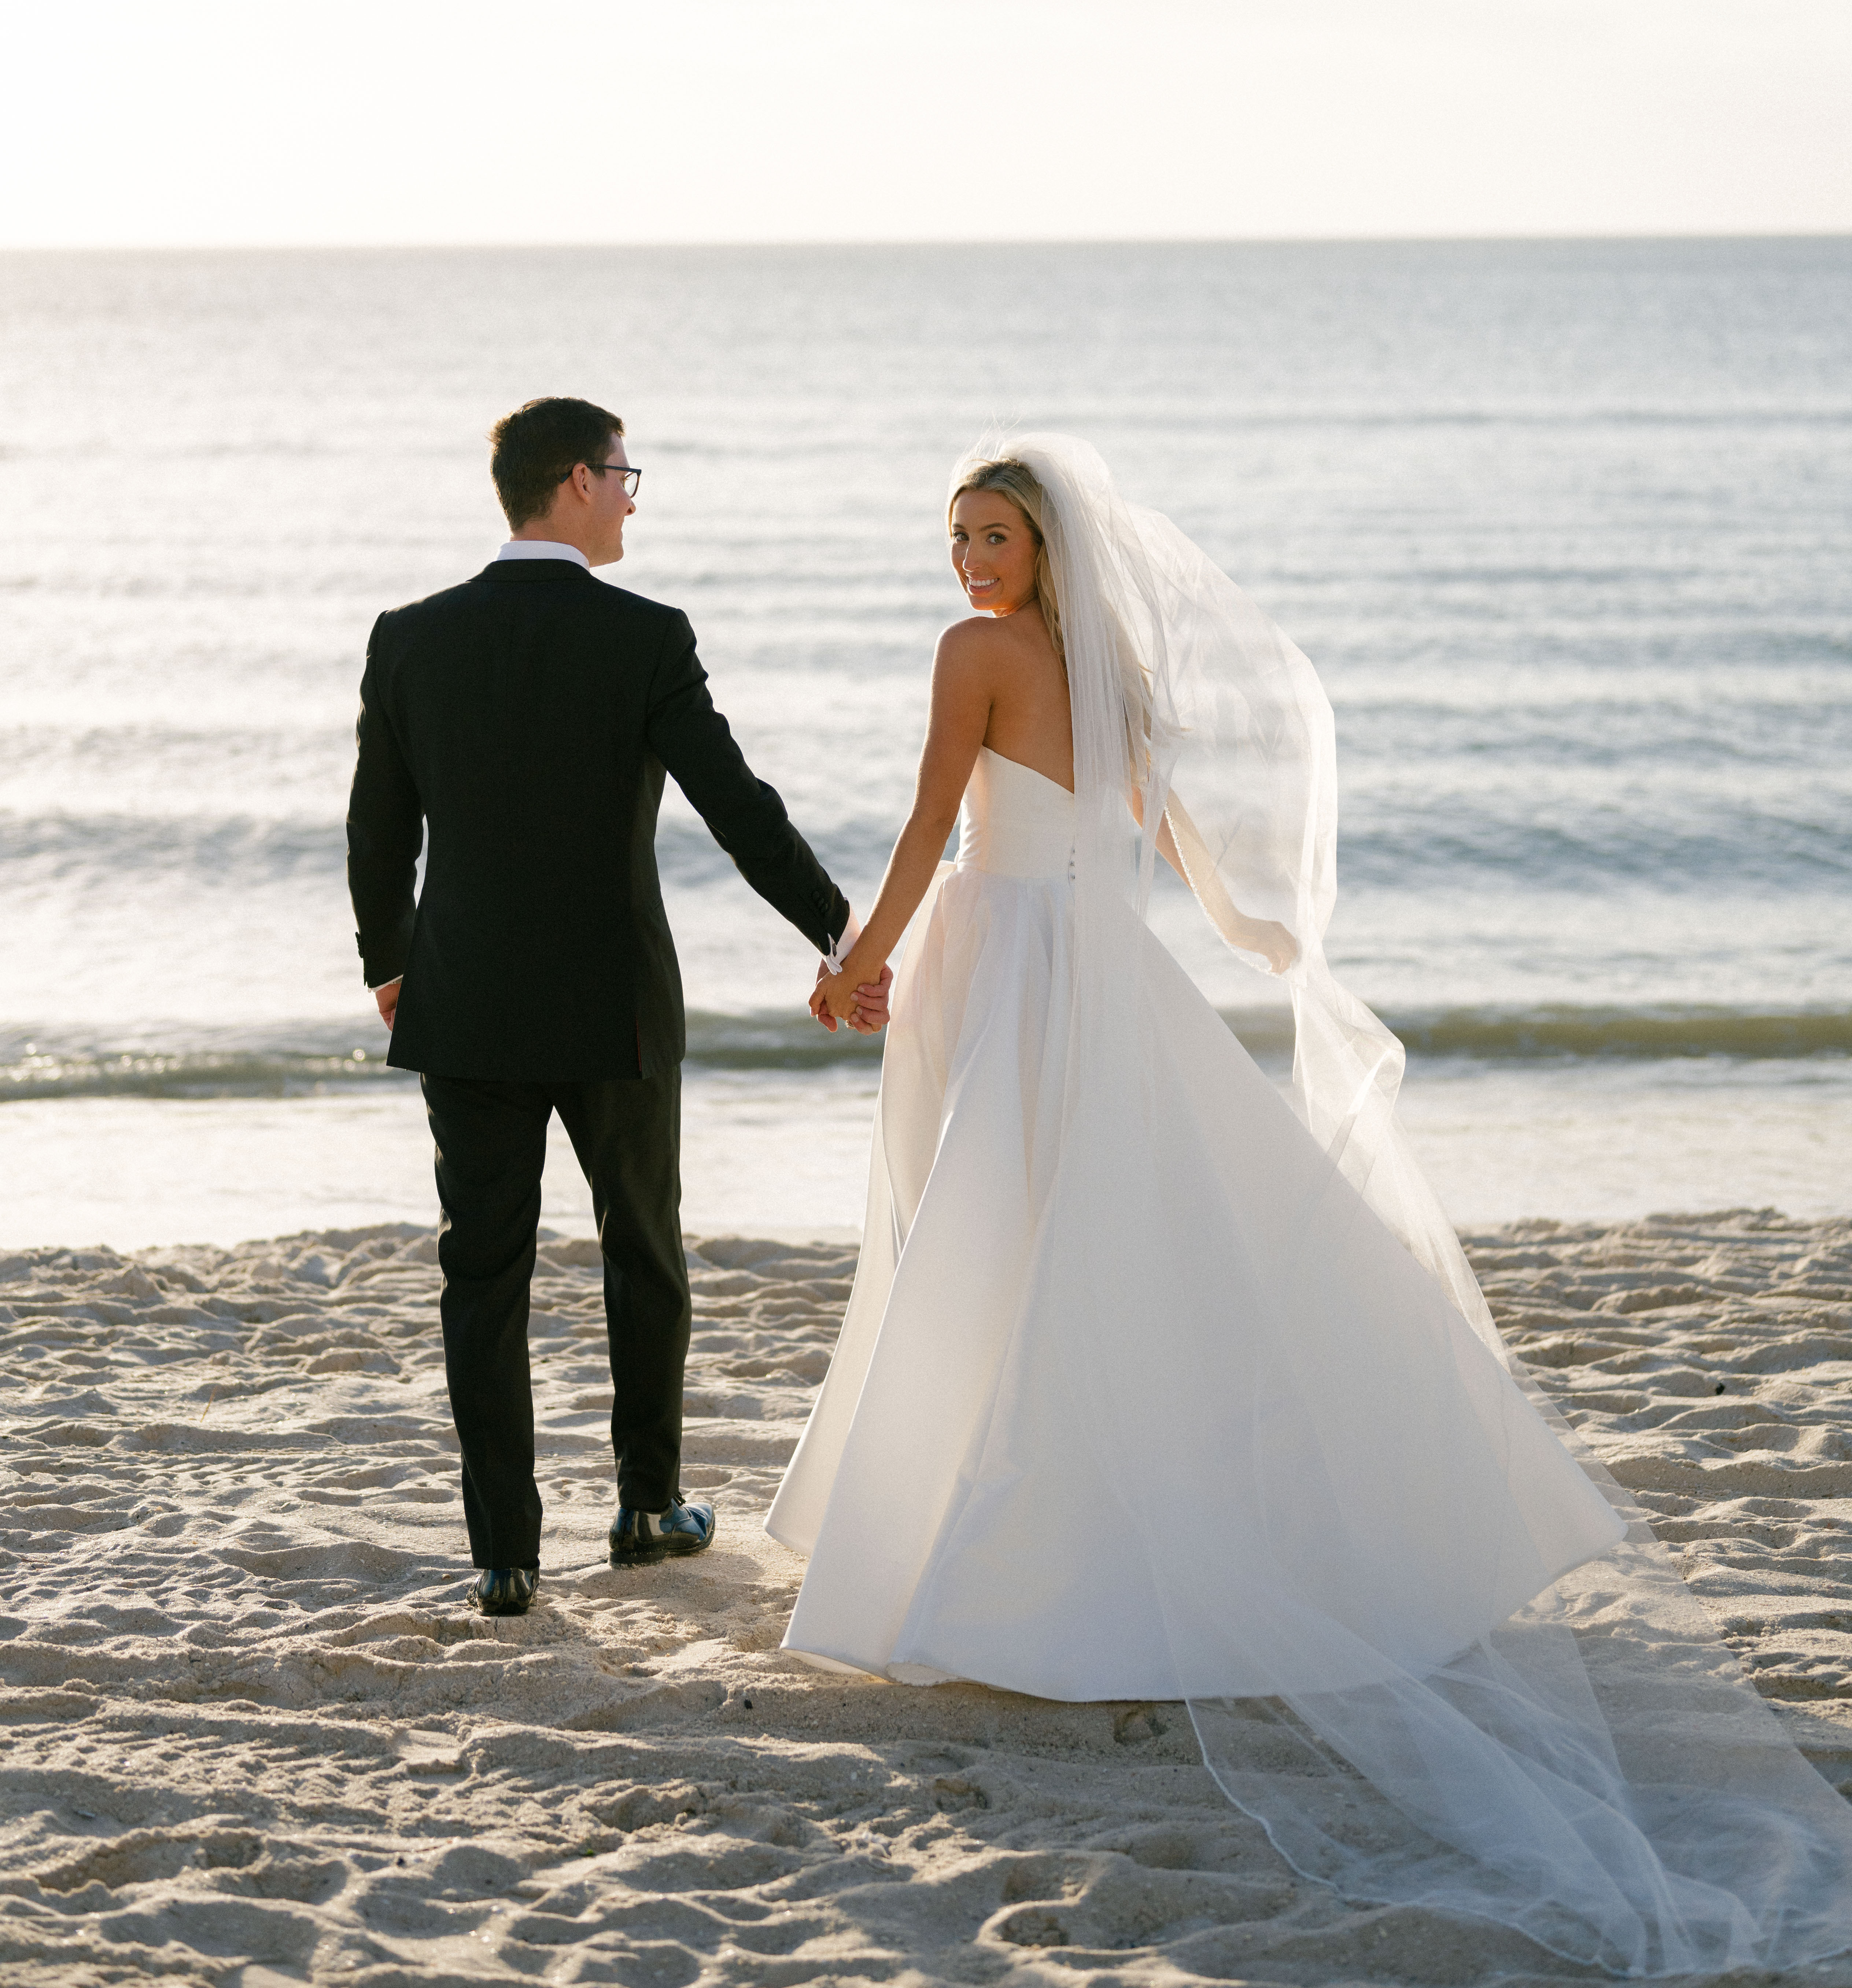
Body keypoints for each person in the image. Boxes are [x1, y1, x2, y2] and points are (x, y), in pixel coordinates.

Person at [769, 432, 1852, 1978]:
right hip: (1099, 969)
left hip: (1003, 955)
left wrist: (857, 956)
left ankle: (995, 1544)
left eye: (993, 535)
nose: (969, 562)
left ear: (1045, 546)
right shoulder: (1104, 660)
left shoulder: (977, 655)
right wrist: (1233, 921)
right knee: (1101, 1233)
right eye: (957, 538)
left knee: (997, 1232)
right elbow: (1159, 821)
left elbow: (935, 818)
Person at [345, 396, 888, 1619]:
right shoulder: (645, 638)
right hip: (616, 1007)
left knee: (480, 1270)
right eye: (626, 476)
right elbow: (738, 808)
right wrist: (844, 935)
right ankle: (648, 1508)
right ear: (581, 482)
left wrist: (390, 963)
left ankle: (505, 1555)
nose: (632, 498)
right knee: (644, 1248)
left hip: (465, 1000)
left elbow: (380, 827)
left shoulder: (410, 637)